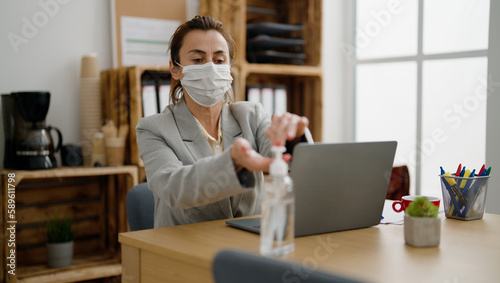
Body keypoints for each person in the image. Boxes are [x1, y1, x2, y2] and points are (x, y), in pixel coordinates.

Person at [136, 15, 309, 228]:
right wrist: (234, 162)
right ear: (175, 69)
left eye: (219, 60)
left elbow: (284, 160)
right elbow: (173, 188)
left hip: (250, 246)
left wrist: (293, 138)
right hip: (186, 250)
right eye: (198, 60)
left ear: (229, 68)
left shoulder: (251, 115)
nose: (210, 68)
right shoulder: (154, 128)